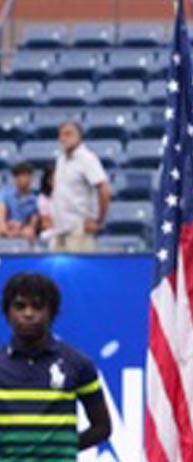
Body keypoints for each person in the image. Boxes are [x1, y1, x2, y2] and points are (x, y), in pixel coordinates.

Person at [0, 273, 111, 459]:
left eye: (37, 306)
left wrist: (62, 451)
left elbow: (102, 427)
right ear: (7, 313)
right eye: (20, 306)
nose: (28, 313)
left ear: (52, 312)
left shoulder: (77, 363)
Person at [49, 122, 110, 253]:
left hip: (78, 229)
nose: (63, 138)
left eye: (68, 134)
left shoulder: (87, 159)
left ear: (79, 136)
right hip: (59, 228)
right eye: (61, 135)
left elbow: (104, 188)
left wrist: (99, 220)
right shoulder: (61, 159)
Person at [0, 162, 41, 241]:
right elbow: (1, 221)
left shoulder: (36, 200)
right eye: (17, 176)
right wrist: (8, 230)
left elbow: (32, 226)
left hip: (23, 232)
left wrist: (19, 227)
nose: (20, 179)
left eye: (23, 175)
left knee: (29, 232)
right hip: (6, 232)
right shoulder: (5, 195)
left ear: (30, 177)